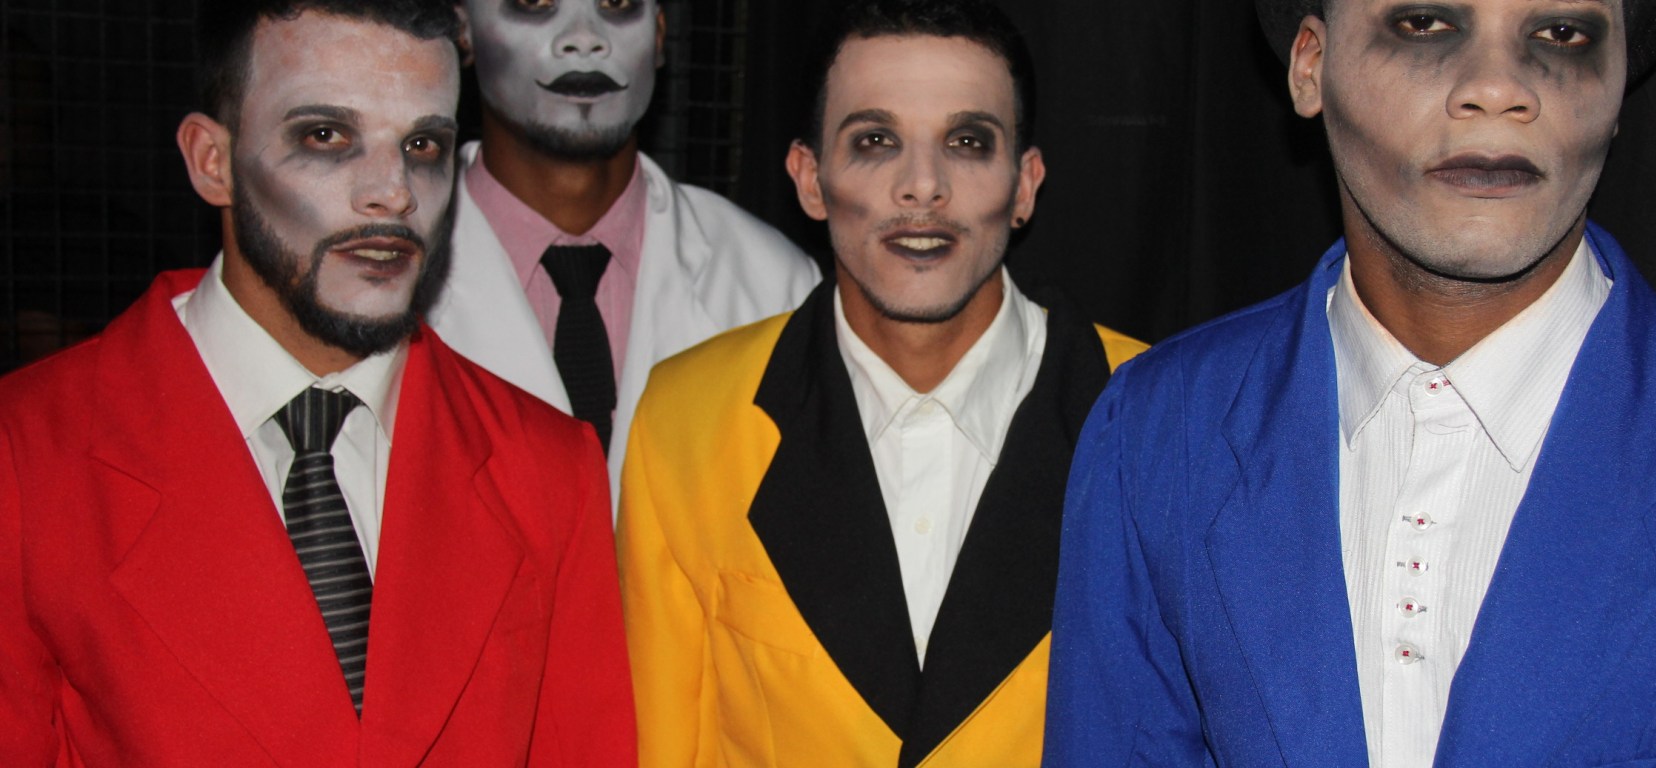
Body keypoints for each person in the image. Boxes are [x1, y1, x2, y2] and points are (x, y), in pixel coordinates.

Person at [1044, 0, 1656, 765]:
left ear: (1619, 88)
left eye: (1562, 34)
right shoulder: (1157, 434)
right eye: (1425, 23)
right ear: (1311, 67)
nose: (1498, 88)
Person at [0, 1, 635, 763]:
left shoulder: (546, 465)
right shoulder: (29, 456)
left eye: (423, 145)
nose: (393, 192)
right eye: (326, 136)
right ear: (212, 161)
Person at [616, 1, 1146, 765]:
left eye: (967, 142)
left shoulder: (1160, 420)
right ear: (810, 179)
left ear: (1025, 185)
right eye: (875, 141)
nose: (922, 186)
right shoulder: (684, 422)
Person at [430, 0, 819, 502]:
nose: (584, 38)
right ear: (462, 30)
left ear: (658, 33)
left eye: (617, 4)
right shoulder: (389, 283)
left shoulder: (776, 284)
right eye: (535, 3)